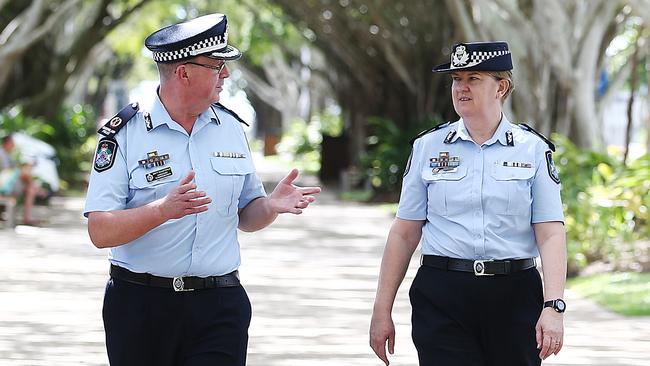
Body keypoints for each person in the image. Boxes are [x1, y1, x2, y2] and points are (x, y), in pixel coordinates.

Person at [84, 13, 321, 366]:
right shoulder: (124, 135)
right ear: (183, 72)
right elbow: (100, 231)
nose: (225, 75)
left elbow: (248, 216)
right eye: (216, 65)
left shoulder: (231, 128)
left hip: (218, 305)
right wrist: (162, 210)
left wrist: (269, 206)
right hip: (140, 306)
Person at [369, 41, 567, 366]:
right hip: (443, 294)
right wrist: (381, 310)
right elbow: (404, 232)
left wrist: (553, 306)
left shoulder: (532, 149)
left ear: (500, 87)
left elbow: (550, 233)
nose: (461, 87)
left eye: (473, 78)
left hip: (514, 295)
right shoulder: (427, 147)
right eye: (456, 79)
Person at [0, 134, 38, 225]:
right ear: (8, 142)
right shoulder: (1, 153)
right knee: (30, 185)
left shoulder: (7, 154)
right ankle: (27, 218)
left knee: (30, 187)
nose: (14, 145)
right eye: (12, 143)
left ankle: (27, 217)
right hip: (3, 184)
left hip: (7, 184)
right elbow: (6, 172)